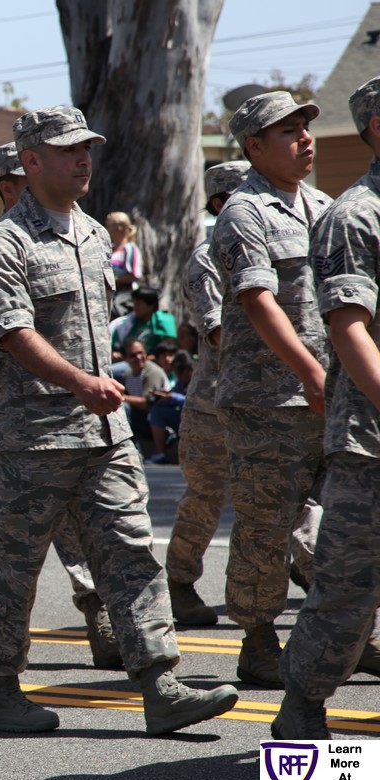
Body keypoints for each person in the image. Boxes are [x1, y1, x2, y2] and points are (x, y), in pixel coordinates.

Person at [0, 107, 237, 735]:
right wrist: (81, 383)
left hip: (103, 433)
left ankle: (159, 684)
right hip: (30, 437)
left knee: (131, 554)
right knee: (15, 566)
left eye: (86, 147)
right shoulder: (2, 246)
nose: (83, 158)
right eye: (68, 150)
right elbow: (11, 333)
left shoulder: (92, 235)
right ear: (31, 161)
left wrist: (97, 389)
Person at [0, 141, 118, 670]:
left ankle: (99, 612)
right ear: (9, 187)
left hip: (73, 405)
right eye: (23, 180)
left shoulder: (83, 236)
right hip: (2, 410)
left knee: (82, 519)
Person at [167, 161, 321, 628]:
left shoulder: (297, 229)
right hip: (218, 402)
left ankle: (318, 579)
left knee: (300, 500)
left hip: (286, 394)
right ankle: (179, 580)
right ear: (219, 204)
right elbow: (217, 330)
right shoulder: (206, 256)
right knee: (206, 496)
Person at [209, 91, 329, 688]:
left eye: (306, 127)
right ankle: (258, 640)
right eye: (288, 131)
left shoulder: (326, 207)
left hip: (335, 394)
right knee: (265, 527)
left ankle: (354, 633)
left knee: (349, 522)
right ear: (254, 147)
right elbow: (257, 299)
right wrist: (310, 372)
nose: (305, 138)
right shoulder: (244, 212)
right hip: (267, 401)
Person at [275, 76, 380, 739]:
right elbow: (349, 328)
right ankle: (302, 713)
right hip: (372, 441)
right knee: (347, 592)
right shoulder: (356, 216)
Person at [119, 337, 170, 453]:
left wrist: (121, 397)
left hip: (158, 422)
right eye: (133, 355)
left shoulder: (152, 371)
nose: (138, 357)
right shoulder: (127, 375)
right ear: (125, 358)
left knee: (125, 408)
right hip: (141, 418)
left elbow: (146, 404)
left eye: (141, 353)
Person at [146, 350, 193, 464]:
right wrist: (163, 397)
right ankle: (161, 454)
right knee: (157, 411)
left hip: (198, 419)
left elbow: (193, 401)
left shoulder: (199, 379)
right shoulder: (180, 383)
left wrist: (172, 396)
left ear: (190, 369)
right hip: (182, 419)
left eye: (180, 373)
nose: (178, 376)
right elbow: (174, 395)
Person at [110, 285, 177, 358]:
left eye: (139, 304)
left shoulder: (163, 321)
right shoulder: (129, 322)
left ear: (151, 305)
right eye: (134, 304)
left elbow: (169, 347)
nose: (135, 307)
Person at [106, 210, 143, 312]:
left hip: (123, 299)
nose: (106, 230)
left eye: (108, 226)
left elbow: (135, 276)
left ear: (119, 228)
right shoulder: (110, 249)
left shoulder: (130, 249)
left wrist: (111, 280)